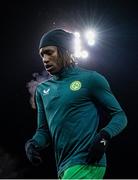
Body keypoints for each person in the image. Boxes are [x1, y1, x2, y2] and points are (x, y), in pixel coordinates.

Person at [25, 28, 128, 179]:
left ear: (64, 51)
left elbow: (120, 116)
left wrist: (103, 136)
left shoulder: (91, 79)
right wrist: (33, 143)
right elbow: (44, 131)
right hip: (63, 167)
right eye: (42, 55)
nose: (45, 59)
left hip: (88, 162)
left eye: (49, 52)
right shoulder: (42, 90)